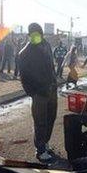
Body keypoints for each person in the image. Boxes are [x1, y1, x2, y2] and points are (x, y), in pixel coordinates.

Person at [19, 23, 58, 162]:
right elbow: (23, 77)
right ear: (30, 36)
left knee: (51, 118)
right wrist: (33, 93)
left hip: (52, 89)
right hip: (39, 93)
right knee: (40, 122)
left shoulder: (46, 45)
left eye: (39, 34)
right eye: (33, 35)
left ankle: (45, 143)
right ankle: (40, 150)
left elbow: (51, 66)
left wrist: (55, 82)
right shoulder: (25, 53)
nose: (37, 37)